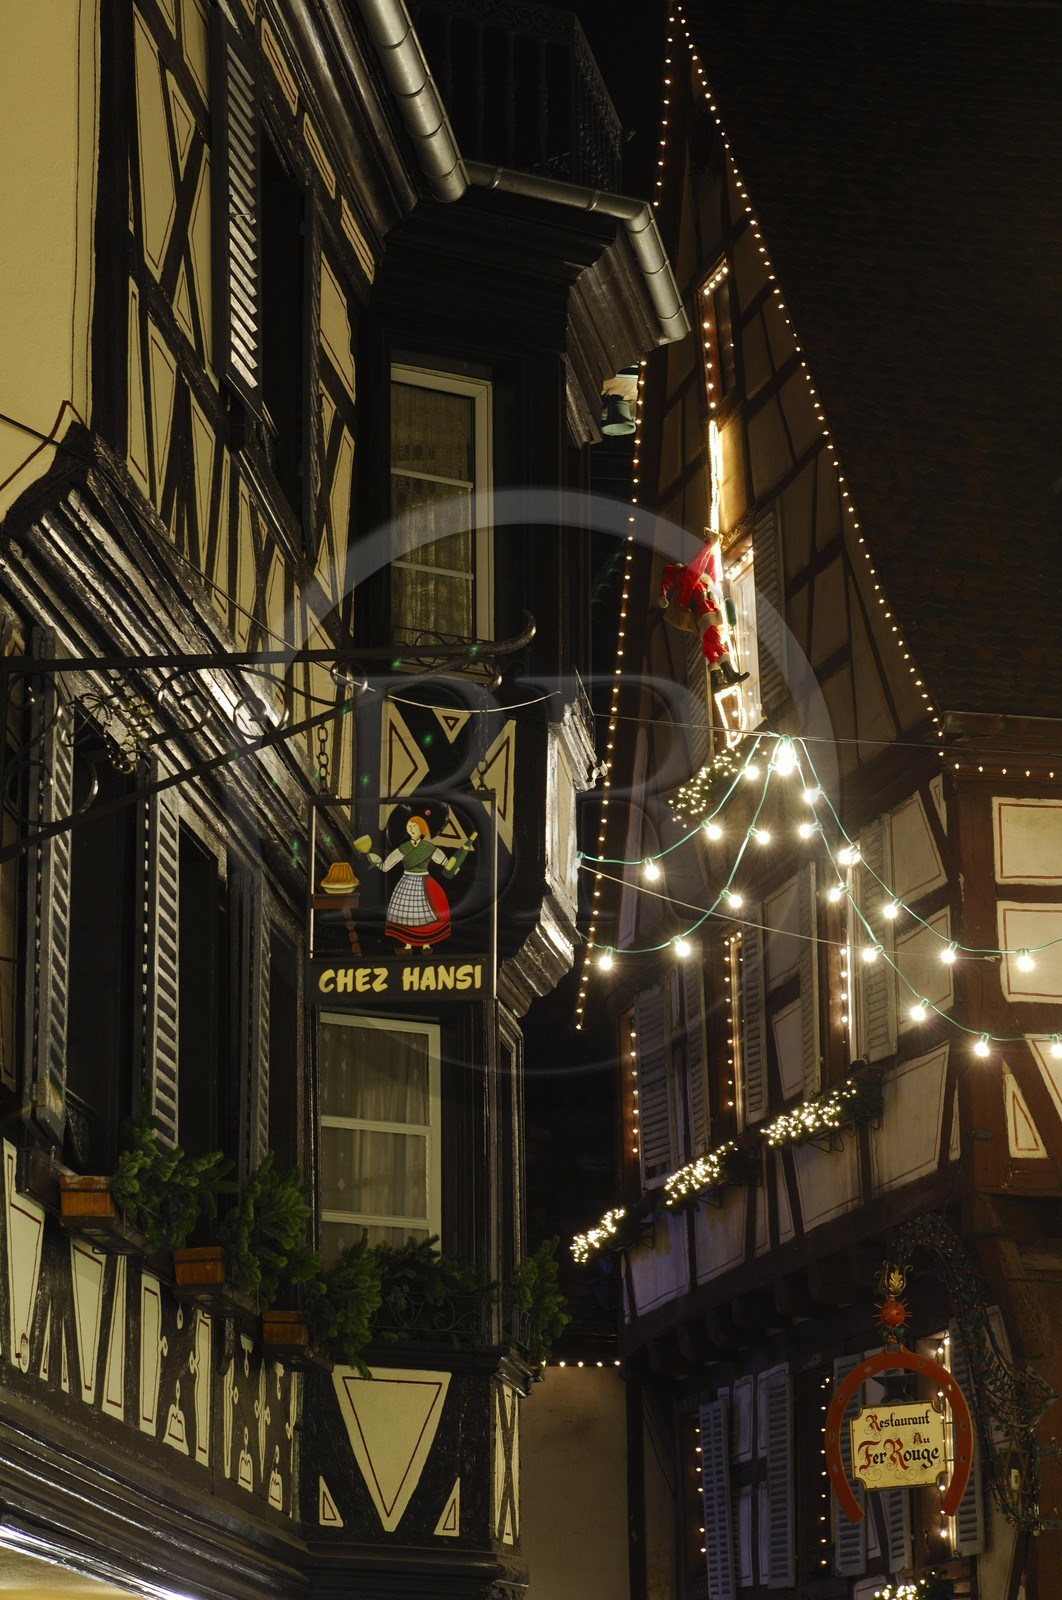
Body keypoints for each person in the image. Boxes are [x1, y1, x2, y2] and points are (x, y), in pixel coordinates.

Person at [368, 816, 474, 950]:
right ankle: (407, 945)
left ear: (422, 829)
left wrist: (454, 867)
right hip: (407, 882)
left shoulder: (429, 847)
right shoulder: (404, 848)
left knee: (425, 915)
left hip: (423, 882)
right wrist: (372, 857)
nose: (411, 829)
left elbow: (445, 863)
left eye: (414, 826)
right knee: (407, 915)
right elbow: (386, 866)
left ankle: (426, 944)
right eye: (409, 826)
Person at [657, 540, 749, 686]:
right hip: (706, 617)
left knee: (710, 647)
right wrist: (708, 545)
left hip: (708, 616)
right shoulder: (686, 588)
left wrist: (711, 554)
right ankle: (730, 674)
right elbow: (697, 567)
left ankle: (717, 680)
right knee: (717, 643)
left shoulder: (701, 583)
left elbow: (709, 572)